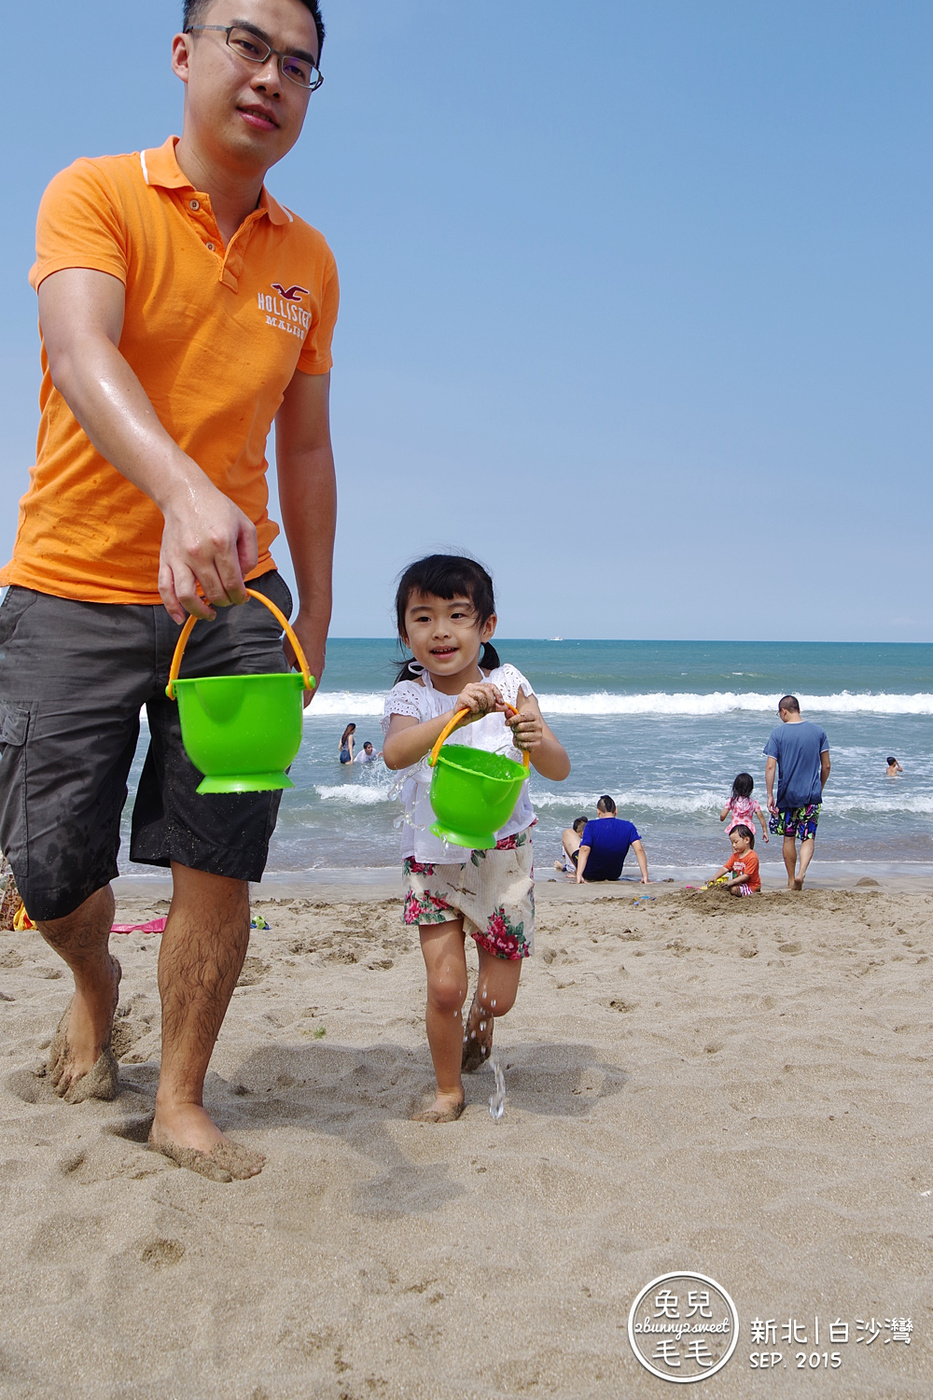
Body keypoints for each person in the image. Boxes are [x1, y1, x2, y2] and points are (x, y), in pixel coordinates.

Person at [0, 0, 337, 1182]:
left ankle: (183, 1097)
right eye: (249, 44)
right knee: (45, 865)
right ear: (186, 53)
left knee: (218, 853)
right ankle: (95, 979)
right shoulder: (92, 191)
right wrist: (184, 488)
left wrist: (319, 614)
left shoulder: (309, 260)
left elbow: (305, 449)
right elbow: (78, 351)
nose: (272, 77)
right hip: (70, 585)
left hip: (237, 606)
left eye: (300, 64)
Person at [382, 554, 570, 1123]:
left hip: (505, 859)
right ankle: (448, 1091)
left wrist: (536, 736)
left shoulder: (510, 684)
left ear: (485, 627)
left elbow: (557, 768)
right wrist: (453, 716)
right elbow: (395, 754)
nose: (441, 631)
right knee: (444, 987)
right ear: (406, 632)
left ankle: (482, 1021)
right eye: (423, 618)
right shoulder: (411, 697)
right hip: (434, 860)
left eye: (457, 615)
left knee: (498, 997)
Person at [764, 696, 830, 891]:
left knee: (789, 837)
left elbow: (770, 767)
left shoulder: (777, 734)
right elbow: (826, 765)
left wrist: (769, 795)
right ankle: (802, 873)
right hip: (810, 794)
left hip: (787, 795)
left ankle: (792, 879)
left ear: (784, 711)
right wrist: (820, 787)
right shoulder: (819, 732)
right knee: (808, 836)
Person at [575, 796, 649, 884]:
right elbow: (639, 850)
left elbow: (585, 849)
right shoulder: (629, 826)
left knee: (568, 833)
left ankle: (576, 872)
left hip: (590, 873)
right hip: (614, 874)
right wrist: (645, 876)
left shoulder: (590, 825)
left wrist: (579, 874)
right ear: (616, 811)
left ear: (598, 811)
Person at [707, 825, 761, 897]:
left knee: (733, 889)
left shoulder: (752, 857)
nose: (733, 845)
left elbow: (746, 876)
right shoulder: (735, 856)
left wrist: (731, 882)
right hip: (739, 884)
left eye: (736, 842)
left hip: (751, 886)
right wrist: (715, 877)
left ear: (747, 840)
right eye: (732, 843)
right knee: (724, 887)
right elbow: (725, 868)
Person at [719, 772, 769, 844]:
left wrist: (721, 818)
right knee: (749, 853)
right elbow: (761, 818)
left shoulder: (732, 801)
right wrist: (765, 832)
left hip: (735, 829)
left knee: (736, 853)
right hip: (749, 830)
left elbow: (723, 816)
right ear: (751, 788)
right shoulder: (753, 802)